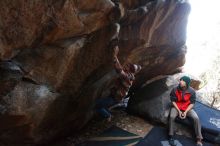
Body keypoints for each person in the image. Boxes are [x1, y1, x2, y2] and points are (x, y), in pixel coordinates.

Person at [95, 45, 141, 122]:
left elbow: (119, 70)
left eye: (128, 66)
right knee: (103, 104)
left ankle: (108, 116)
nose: (126, 66)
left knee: (97, 105)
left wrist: (115, 56)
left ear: (130, 70)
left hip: (115, 98)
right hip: (115, 95)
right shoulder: (129, 74)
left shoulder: (128, 77)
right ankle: (107, 113)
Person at [168, 76, 203, 146]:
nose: (180, 81)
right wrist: (179, 111)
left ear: (186, 83)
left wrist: (185, 112)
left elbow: (192, 103)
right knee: (172, 116)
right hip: (176, 107)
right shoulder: (175, 89)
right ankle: (170, 135)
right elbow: (173, 101)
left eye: (183, 80)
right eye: (181, 80)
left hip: (187, 108)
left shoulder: (192, 91)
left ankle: (199, 139)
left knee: (196, 118)